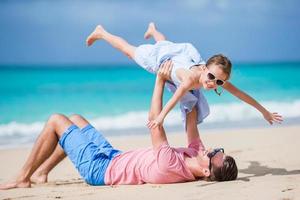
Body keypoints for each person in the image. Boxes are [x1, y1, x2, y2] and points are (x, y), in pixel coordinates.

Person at [0, 63, 238, 190]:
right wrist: (196, 80)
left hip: (99, 170)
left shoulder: (172, 166)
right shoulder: (196, 155)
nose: (212, 150)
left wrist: (159, 81)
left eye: (214, 155)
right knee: (76, 119)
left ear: (206, 172)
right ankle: (42, 173)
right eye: (219, 149)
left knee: (56, 120)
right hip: (113, 157)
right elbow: (191, 120)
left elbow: (155, 123)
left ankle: (23, 177)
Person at [86, 22, 283, 129]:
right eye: (211, 77)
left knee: (165, 44)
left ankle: (153, 29)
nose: (213, 83)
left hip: (178, 54)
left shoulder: (216, 79)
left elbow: (241, 94)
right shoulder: (190, 79)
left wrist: (263, 111)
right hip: (161, 61)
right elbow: (176, 96)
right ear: (205, 68)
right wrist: (161, 118)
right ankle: (102, 32)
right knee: (129, 50)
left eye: (219, 82)